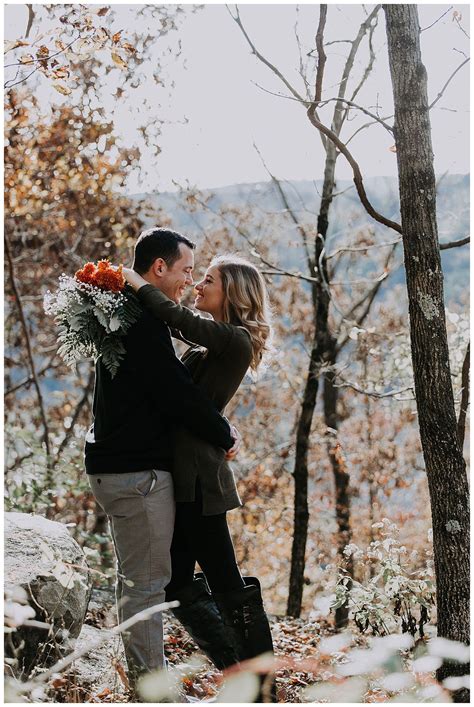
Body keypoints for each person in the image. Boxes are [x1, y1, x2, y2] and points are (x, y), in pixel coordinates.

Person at [85, 228, 239, 688]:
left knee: (141, 583)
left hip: (123, 467)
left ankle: (151, 684)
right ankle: (154, 694)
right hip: (135, 474)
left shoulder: (130, 315)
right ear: (159, 269)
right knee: (146, 589)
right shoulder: (142, 322)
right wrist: (224, 431)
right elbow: (178, 395)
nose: (189, 281)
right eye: (187, 270)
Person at [122, 252, 276, 698]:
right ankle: (241, 674)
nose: (198, 285)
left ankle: (260, 688)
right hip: (185, 477)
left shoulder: (235, 339)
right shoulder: (211, 344)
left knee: (226, 583)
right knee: (178, 583)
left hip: (201, 482)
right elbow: (172, 327)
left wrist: (135, 281)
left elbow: (177, 318)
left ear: (235, 293)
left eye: (208, 279)